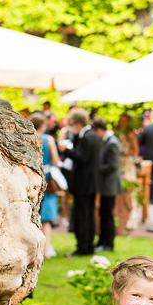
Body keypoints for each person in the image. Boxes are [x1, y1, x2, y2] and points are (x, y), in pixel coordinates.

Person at [61, 107, 100, 256]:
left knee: (82, 216)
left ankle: (83, 246)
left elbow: (82, 157)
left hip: (84, 184)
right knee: (87, 215)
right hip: (89, 183)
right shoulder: (91, 136)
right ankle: (87, 245)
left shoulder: (87, 137)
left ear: (77, 122)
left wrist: (66, 151)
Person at [29, 112, 60, 258]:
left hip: (31, 177)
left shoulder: (28, 138)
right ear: (43, 125)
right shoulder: (48, 140)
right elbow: (55, 160)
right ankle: (45, 251)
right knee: (46, 217)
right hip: (46, 177)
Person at [92, 117, 123, 252]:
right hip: (106, 185)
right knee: (104, 213)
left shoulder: (112, 143)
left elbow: (113, 165)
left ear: (99, 130)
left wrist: (96, 168)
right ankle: (102, 241)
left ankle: (108, 243)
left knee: (108, 214)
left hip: (110, 185)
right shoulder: (107, 141)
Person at [115, 112, 140, 232]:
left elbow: (135, 150)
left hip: (128, 165)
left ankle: (132, 218)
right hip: (120, 164)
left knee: (130, 192)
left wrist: (126, 152)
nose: (122, 123)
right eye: (121, 121)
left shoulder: (131, 135)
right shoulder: (118, 134)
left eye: (124, 121)